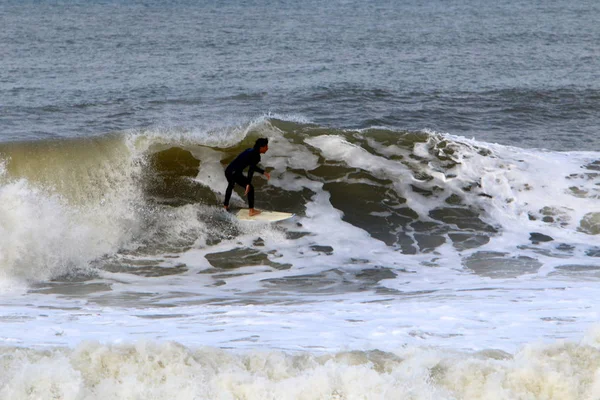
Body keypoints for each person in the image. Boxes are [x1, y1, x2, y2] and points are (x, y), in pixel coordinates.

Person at [223, 138, 271, 216]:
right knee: (250, 188)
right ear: (261, 147)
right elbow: (251, 170)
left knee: (231, 185)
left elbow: (252, 166)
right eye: (266, 146)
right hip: (236, 173)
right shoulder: (256, 156)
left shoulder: (250, 150)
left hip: (229, 170)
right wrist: (248, 183)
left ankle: (225, 206)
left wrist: (263, 172)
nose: (267, 148)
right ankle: (251, 211)